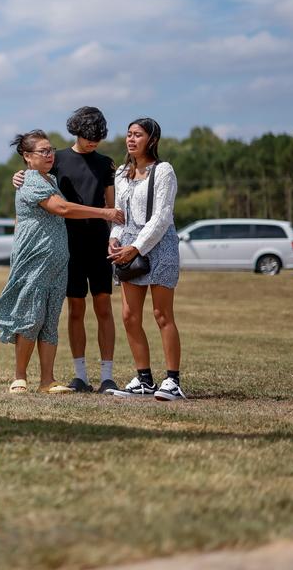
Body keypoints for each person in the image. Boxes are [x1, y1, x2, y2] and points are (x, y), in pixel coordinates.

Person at [0, 131, 124, 394]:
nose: (50, 155)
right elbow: (61, 208)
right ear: (27, 157)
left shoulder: (49, 178)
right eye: (43, 151)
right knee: (31, 316)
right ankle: (20, 377)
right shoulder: (30, 180)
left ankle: (47, 380)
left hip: (56, 261)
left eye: (51, 150)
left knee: (50, 319)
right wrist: (104, 212)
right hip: (35, 258)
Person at [106, 118, 185, 400]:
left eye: (137, 134)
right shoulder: (122, 174)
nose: (131, 139)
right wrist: (114, 237)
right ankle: (144, 379)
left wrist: (136, 247)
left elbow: (163, 216)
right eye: (128, 134)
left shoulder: (163, 171)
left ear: (151, 139)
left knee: (162, 315)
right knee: (129, 316)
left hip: (159, 247)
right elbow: (119, 214)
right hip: (128, 247)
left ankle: (173, 381)